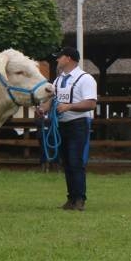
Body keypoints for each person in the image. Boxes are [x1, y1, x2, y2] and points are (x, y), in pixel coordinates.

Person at [38, 46, 96, 211]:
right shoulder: (58, 80)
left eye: (59, 57)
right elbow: (52, 100)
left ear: (68, 58)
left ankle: (79, 199)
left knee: (75, 161)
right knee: (67, 162)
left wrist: (69, 107)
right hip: (61, 125)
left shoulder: (85, 79)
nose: (57, 59)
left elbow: (91, 103)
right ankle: (71, 198)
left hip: (77, 125)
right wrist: (44, 109)